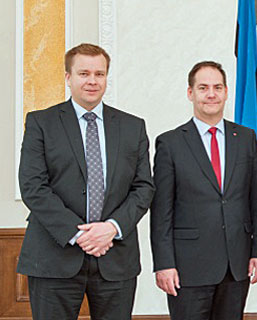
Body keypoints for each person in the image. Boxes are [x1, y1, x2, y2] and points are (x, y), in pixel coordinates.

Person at [16, 43, 155, 320]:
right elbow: (33, 186)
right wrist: (80, 234)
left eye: (99, 74)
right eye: (84, 73)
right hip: (53, 256)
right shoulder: (41, 123)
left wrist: (111, 228)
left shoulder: (132, 126)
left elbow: (143, 187)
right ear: (68, 78)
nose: (92, 81)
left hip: (115, 256)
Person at [150, 61, 257, 320]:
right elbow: (161, 212)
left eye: (217, 87)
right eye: (203, 88)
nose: (211, 94)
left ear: (226, 92)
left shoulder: (246, 138)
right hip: (187, 267)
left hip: (236, 265)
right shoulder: (170, 143)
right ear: (190, 93)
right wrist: (164, 263)